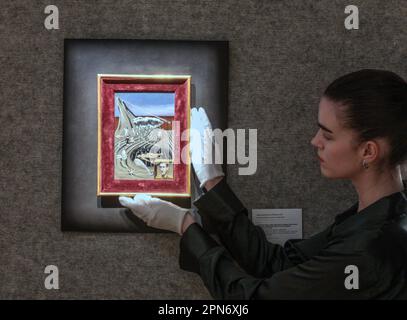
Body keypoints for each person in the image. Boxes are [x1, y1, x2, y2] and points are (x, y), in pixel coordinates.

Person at [119, 69, 407, 299]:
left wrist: (184, 226)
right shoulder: (374, 217)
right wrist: (211, 178)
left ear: (368, 151)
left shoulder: (369, 248)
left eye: (328, 135)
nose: (314, 142)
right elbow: (276, 264)